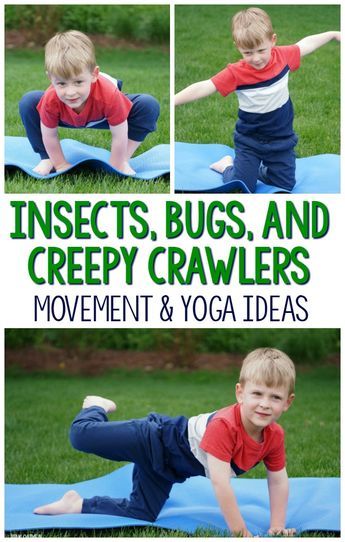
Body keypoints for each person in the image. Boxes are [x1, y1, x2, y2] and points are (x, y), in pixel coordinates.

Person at [34, 348, 296, 537]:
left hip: (167, 469)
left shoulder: (274, 436)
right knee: (80, 436)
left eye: (274, 397)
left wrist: (277, 525)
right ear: (240, 393)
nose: (264, 403)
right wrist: (241, 533)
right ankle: (95, 407)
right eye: (257, 393)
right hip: (153, 438)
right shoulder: (224, 426)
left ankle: (76, 503)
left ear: (287, 402)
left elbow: (278, 479)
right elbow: (220, 482)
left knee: (142, 513)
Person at [175, 7, 340, 193]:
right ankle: (227, 166)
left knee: (285, 185)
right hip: (249, 140)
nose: (256, 58)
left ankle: (257, 170)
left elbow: (306, 44)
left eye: (261, 50)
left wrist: (333, 34)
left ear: (273, 40)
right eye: (248, 53)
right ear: (238, 47)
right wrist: (174, 100)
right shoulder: (236, 73)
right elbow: (206, 86)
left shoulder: (283, 56)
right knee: (243, 185)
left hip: (282, 138)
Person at [19, 30, 160, 177]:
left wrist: (116, 165)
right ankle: (47, 158)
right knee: (29, 101)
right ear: (50, 78)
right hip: (64, 115)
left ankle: (122, 160)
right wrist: (60, 164)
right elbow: (50, 136)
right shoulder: (51, 99)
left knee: (148, 105)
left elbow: (119, 135)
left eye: (78, 82)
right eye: (61, 83)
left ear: (94, 74)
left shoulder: (109, 96)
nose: (70, 92)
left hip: (105, 114)